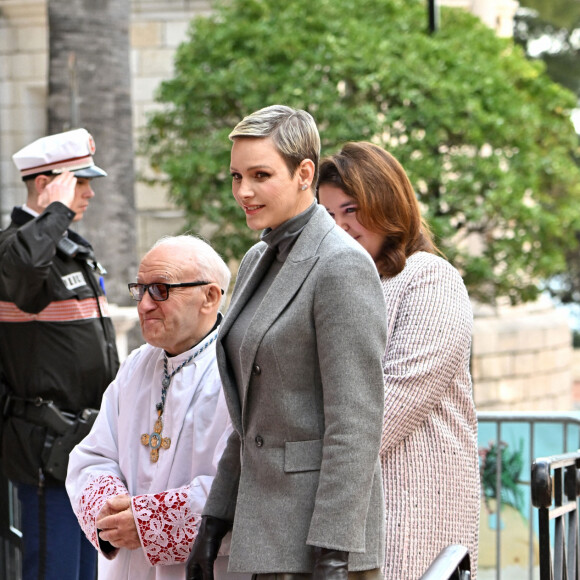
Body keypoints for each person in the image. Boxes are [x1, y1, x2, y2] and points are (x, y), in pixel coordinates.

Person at [186, 105, 388, 580]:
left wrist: (333, 554)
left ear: (304, 173)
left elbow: (355, 425)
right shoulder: (257, 258)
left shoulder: (342, 265)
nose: (244, 191)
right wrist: (213, 523)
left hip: (318, 549)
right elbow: (251, 418)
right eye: (236, 176)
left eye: (260, 174)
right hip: (261, 536)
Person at [317, 141, 480, 580]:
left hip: (414, 501)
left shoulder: (429, 277)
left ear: (386, 202)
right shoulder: (339, 284)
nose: (340, 226)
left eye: (351, 209)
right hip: (346, 508)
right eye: (328, 215)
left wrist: (299, 456)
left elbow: (397, 399)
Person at [66, 234, 246, 580]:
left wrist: (149, 523)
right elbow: (91, 457)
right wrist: (113, 515)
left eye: (161, 289)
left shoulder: (238, 372)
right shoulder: (137, 365)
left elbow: (248, 486)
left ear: (209, 297)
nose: (144, 304)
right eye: (141, 289)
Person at [0, 128, 120, 580]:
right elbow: (25, 269)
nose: (88, 193)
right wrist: (56, 208)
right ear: (46, 182)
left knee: (85, 571)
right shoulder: (15, 250)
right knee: (54, 571)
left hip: (84, 443)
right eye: (80, 182)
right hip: (46, 448)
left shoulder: (69, 248)